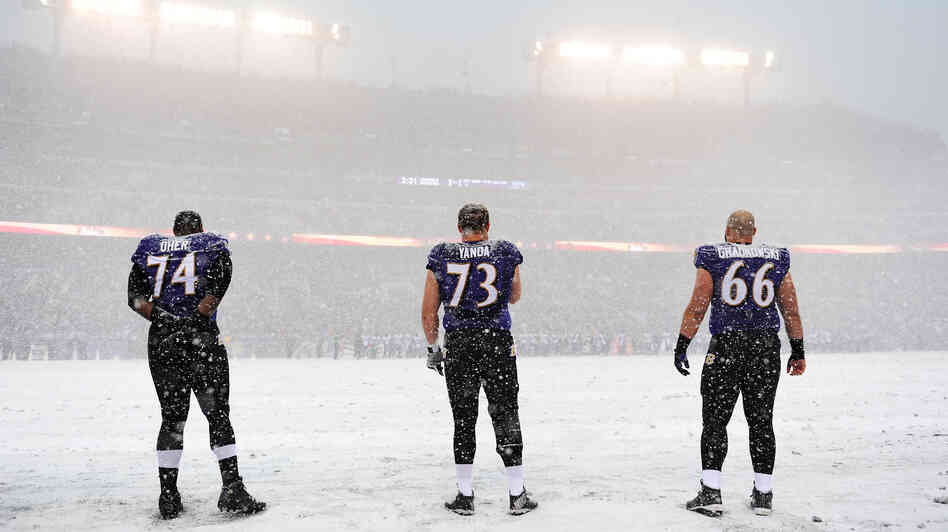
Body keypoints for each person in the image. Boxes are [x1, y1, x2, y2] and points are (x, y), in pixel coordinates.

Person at [127, 211, 265, 519]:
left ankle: (168, 495)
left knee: (172, 419)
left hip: (162, 344)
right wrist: (193, 322)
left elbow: (136, 300)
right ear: (199, 229)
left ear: (174, 232)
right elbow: (213, 294)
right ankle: (231, 488)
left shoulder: (151, 250)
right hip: (201, 341)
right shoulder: (212, 248)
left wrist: (166, 320)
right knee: (217, 414)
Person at [673, 210, 806, 517]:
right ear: (754, 231)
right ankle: (763, 494)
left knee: (715, 420)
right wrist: (798, 350)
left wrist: (682, 344)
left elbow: (698, 303)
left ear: (727, 231)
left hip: (727, 346)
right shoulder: (777, 257)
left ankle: (711, 491)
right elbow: (791, 309)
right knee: (761, 421)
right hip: (764, 347)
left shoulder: (712, 255)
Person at [421, 203, 538, 516]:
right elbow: (514, 295)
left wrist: (433, 347)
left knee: (463, 418)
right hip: (497, 341)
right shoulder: (504, 251)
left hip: (460, 343)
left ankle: (465, 494)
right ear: (488, 224)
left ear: (460, 227)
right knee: (506, 414)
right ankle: (516, 494)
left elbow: (429, 310)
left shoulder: (442, 254)